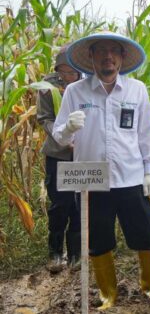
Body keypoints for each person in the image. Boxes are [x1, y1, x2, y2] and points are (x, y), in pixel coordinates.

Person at [52, 31, 150, 309]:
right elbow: (58, 136)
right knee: (99, 240)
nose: (107, 56)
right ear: (90, 57)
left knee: (145, 235)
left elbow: (145, 133)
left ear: (122, 57)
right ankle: (107, 294)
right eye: (101, 51)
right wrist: (68, 128)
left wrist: (149, 171)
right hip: (92, 180)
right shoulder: (75, 92)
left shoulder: (136, 90)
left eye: (113, 51)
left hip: (129, 177)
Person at [36, 45, 82, 273]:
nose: (68, 76)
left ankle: (75, 255)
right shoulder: (48, 85)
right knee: (60, 204)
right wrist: (64, 137)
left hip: (83, 155)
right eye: (63, 71)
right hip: (58, 154)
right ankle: (55, 253)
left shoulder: (88, 83)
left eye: (72, 71)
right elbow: (44, 118)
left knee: (79, 204)